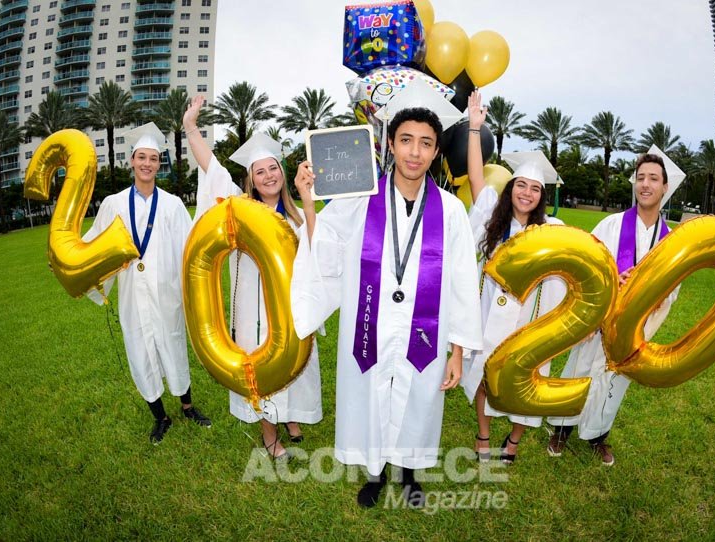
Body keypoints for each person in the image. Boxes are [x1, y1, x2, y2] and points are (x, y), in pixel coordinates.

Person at [291, 106, 483, 508]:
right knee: (370, 392)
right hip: (370, 323)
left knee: (419, 396)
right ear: (391, 145)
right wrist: (309, 202)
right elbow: (325, 249)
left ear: (435, 153)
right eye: (407, 140)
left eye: (426, 143)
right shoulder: (359, 200)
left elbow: (463, 280)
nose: (415, 152)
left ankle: (409, 473)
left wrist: (458, 350)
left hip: (425, 328)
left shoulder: (450, 211)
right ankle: (375, 473)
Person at [183, 95, 322, 460]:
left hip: (292, 306)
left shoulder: (295, 216)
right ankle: (269, 434)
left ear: (282, 171)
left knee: (298, 363)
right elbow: (211, 167)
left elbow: (318, 249)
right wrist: (191, 127)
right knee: (261, 366)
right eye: (259, 171)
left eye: (273, 168)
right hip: (252, 310)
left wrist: (308, 204)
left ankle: (292, 418)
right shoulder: (238, 210)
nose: (268, 175)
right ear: (251, 180)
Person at [546, 151, 681, 466]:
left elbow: (673, 289)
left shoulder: (670, 240)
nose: (645, 184)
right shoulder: (612, 224)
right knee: (579, 370)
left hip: (633, 328)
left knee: (614, 383)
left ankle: (597, 434)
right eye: (641, 177)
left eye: (653, 179)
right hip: (601, 319)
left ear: (664, 188)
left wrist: (650, 292)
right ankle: (562, 428)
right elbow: (589, 267)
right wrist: (613, 280)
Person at [83, 122, 211, 445]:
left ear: (159, 163)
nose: (147, 164)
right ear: (131, 160)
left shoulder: (172, 205)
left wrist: (193, 290)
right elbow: (93, 244)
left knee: (173, 345)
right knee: (140, 352)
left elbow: (189, 246)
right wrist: (67, 260)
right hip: (131, 293)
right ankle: (160, 417)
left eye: (153, 159)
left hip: (166, 292)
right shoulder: (113, 204)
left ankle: (187, 406)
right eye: (141, 157)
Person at [460, 90, 567, 465]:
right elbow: (475, 174)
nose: (527, 192)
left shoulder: (553, 228)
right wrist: (475, 129)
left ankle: (515, 440)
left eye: (535, 189)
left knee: (527, 378)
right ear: (511, 188)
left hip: (529, 316)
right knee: (486, 372)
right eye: (521, 185)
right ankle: (483, 435)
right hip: (492, 307)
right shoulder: (493, 213)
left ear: (541, 196)